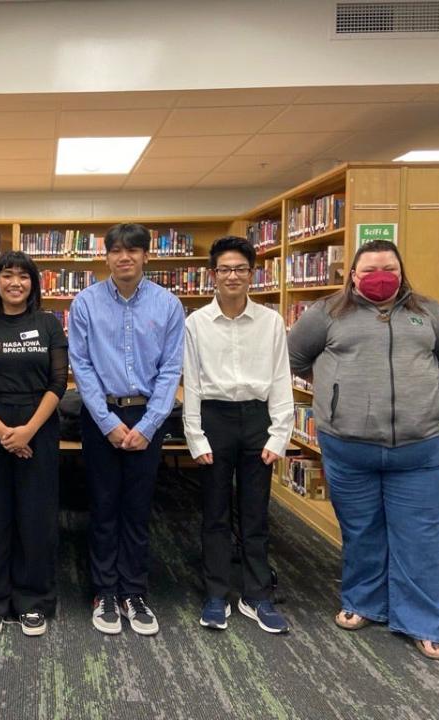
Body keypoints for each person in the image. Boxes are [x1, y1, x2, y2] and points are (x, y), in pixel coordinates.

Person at [287, 239, 439, 660]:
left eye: (389, 268)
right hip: (348, 446)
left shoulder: (429, 311)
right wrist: (340, 390)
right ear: (352, 275)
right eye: (369, 270)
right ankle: (362, 602)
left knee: (420, 535)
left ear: (402, 272)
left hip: (418, 449)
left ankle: (424, 620)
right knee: (361, 530)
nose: (380, 277)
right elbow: (294, 358)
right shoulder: (325, 313)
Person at [68, 222, 185, 636]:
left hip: (148, 418)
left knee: (136, 510)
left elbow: (172, 368)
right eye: (116, 250)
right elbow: (80, 365)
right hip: (102, 417)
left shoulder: (169, 304)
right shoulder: (85, 302)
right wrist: (107, 423)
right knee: (103, 508)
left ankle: (134, 592)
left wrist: (151, 423)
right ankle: (104, 592)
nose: (124, 257)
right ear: (106, 256)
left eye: (133, 250)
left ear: (146, 256)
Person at [183, 236, 293, 634]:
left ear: (252, 274)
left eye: (240, 269)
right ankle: (216, 593)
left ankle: (257, 595)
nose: (232, 276)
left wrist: (279, 434)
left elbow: (281, 378)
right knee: (214, 513)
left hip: (257, 418)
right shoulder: (195, 323)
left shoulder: (271, 322)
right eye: (225, 269)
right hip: (214, 418)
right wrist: (195, 436)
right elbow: (191, 383)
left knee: (255, 512)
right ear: (212, 275)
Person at [0, 251, 68, 637]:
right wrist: (6, 432)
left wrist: (27, 431)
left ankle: (32, 599)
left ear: (34, 284)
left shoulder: (49, 325)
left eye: (24, 276)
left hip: (38, 426)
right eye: (7, 275)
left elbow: (58, 384)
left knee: (35, 517)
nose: (15, 283)